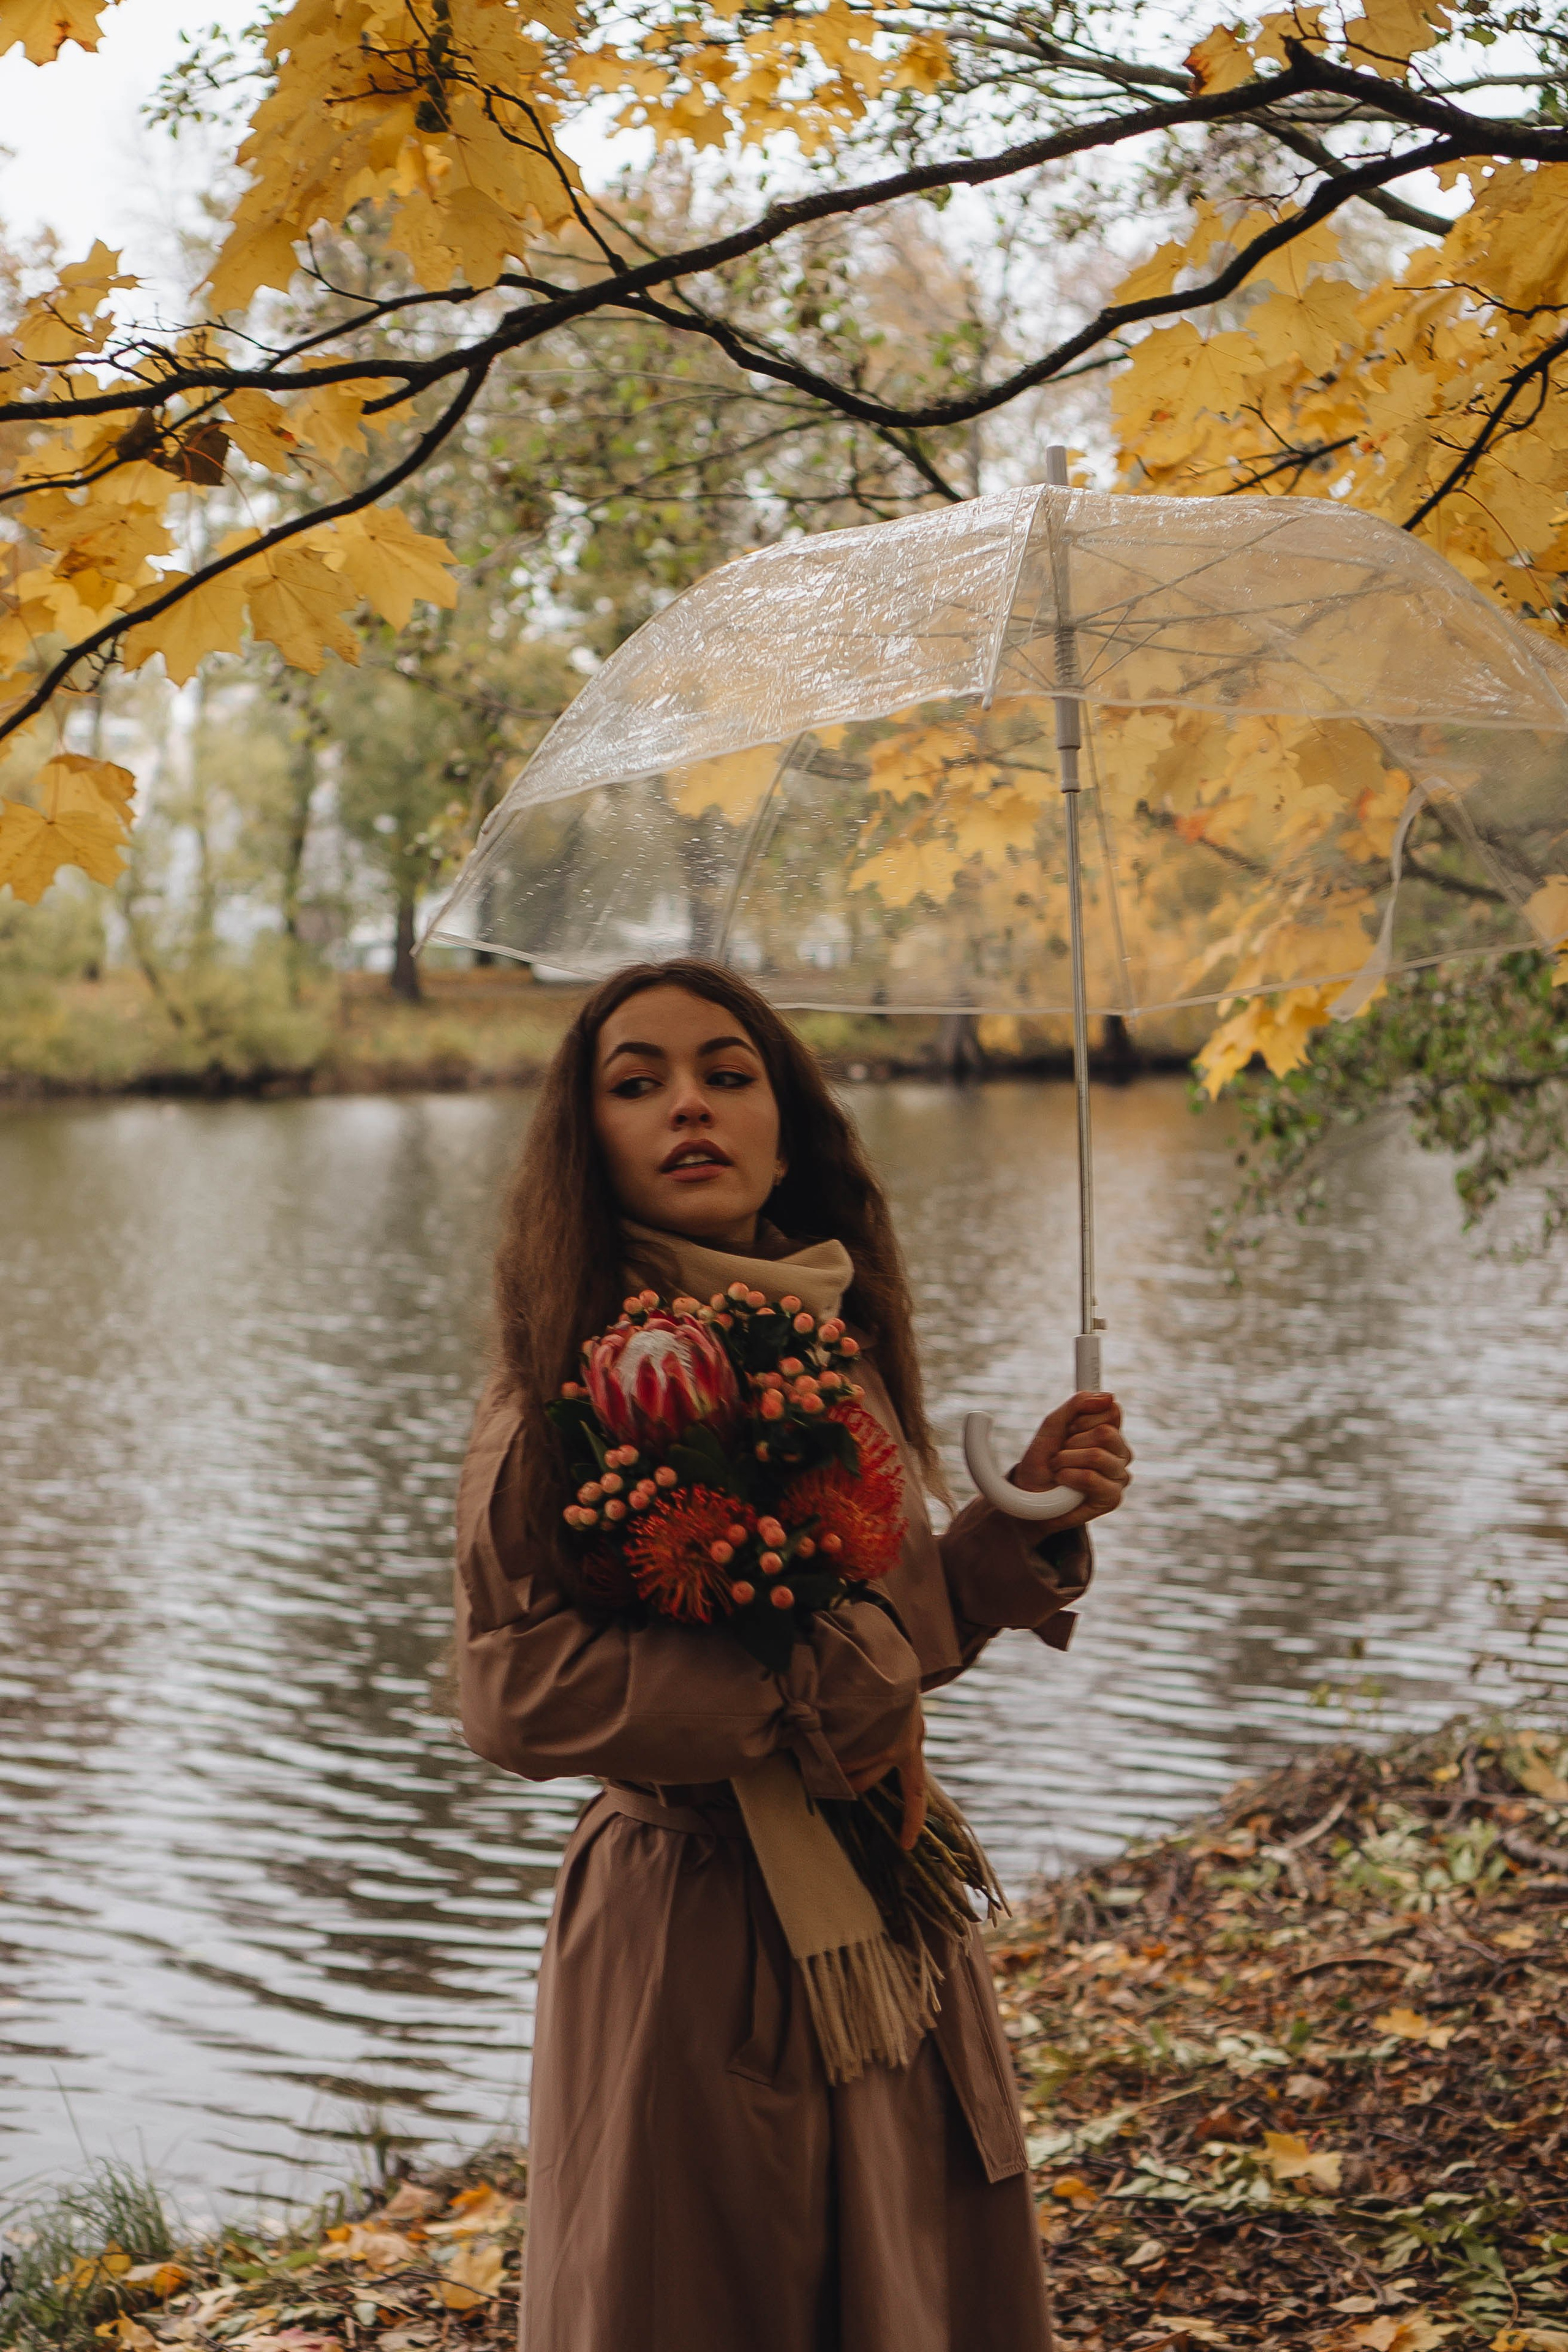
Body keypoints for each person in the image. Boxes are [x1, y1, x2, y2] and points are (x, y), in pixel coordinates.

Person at [454, 957, 1132, 2352]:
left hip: (882, 1899)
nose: (687, 1106)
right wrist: (791, 1689)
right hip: (688, 1926)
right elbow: (511, 1692)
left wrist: (1007, 1540)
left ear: (785, 1120)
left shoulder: (834, 1343)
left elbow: (894, 1637)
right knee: (695, 2290)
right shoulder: (561, 1383)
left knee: (905, 2278)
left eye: (726, 1073)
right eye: (636, 1084)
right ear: (589, 1140)